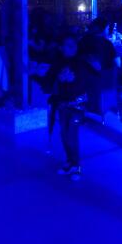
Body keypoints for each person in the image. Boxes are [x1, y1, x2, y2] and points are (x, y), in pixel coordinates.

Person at [40, 34, 98, 181]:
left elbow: (88, 82)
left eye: (70, 46)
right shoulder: (58, 63)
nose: (67, 48)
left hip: (78, 106)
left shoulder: (82, 63)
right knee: (64, 134)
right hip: (62, 104)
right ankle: (70, 162)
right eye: (64, 46)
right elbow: (48, 82)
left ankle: (76, 165)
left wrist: (72, 80)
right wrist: (57, 78)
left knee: (72, 134)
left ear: (75, 47)